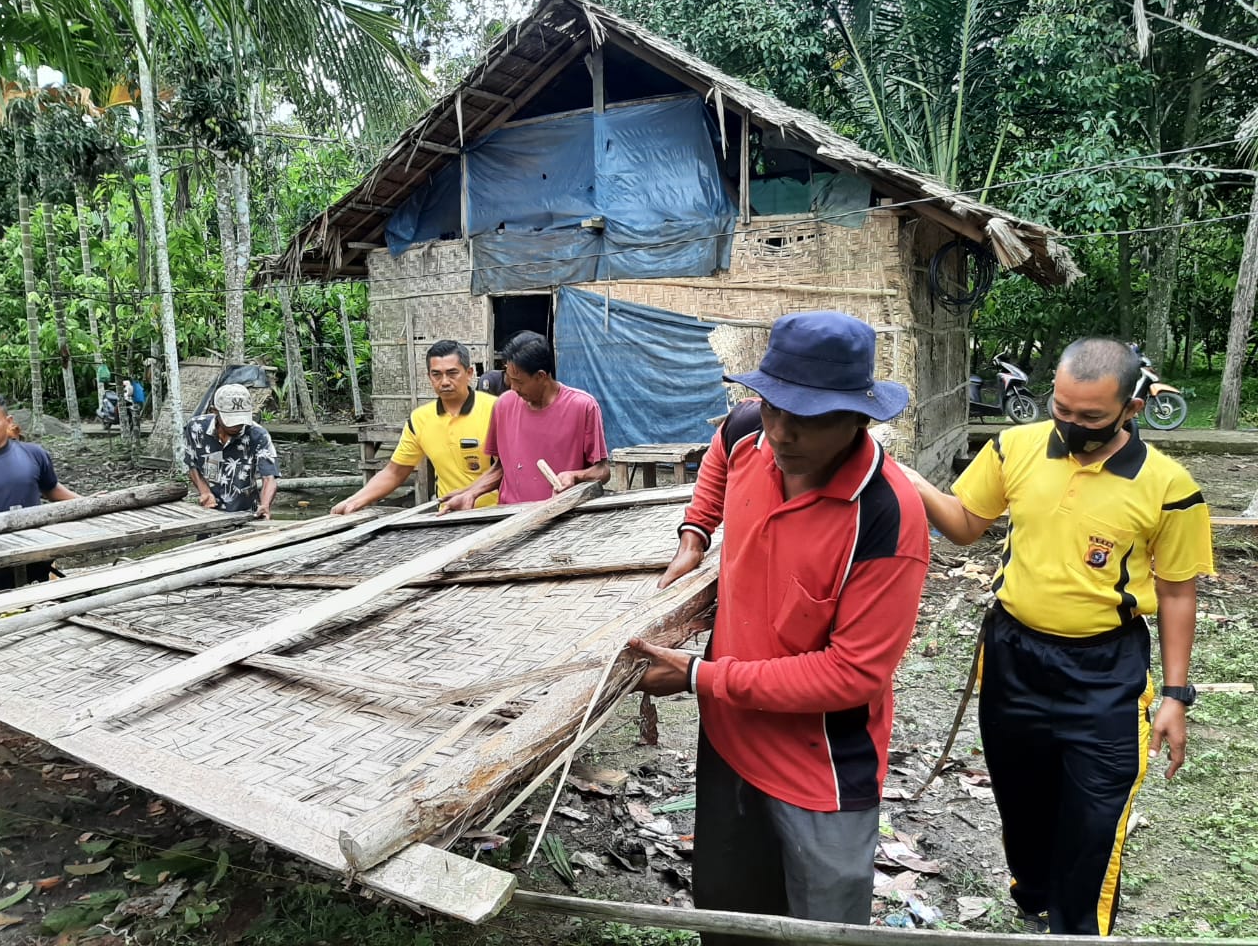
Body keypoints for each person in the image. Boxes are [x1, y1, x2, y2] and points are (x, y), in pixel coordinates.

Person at [627, 313, 930, 936]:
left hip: (818, 768)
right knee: (728, 913)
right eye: (773, 408)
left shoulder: (885, 519)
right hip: (730, 742)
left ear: (858, 418)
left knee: (819, 928)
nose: (783, 433)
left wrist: (698, 677)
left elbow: (851, 676)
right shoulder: (747, 433)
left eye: (809, 418)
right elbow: (717, 456)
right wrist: (696, 528)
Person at [899, 337, 1214, 936]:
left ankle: (1076, 930)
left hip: (1106, 670)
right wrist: (909, 479)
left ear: (1132, 408)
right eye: (1062, 410)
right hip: (1013, 655)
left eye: (1091, 417)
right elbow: (966, 525)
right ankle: (1036, 894)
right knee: (1022, 803)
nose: (1072, 426)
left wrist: (1175, 695)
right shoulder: (1013, 448)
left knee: (1095, 818)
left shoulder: (1170, 488)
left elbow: (1177, 592)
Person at [440, 331, 610, 510]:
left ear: (541, 376)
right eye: (510, 380)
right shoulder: (503, 405)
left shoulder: (583, 406)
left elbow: (603, 471)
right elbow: (502, 468)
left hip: (564, 518)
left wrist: (576, 476)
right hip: (510, 518)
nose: (513, 388)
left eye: (519, 382)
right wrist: (470, 493)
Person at [332, 340, 499, 514]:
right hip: (449, 515)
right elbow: (395, 472)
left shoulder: (496, 409)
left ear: (469, 373)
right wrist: (354, 501)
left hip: (500, 513)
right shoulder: (420, 419)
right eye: (436, 374)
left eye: (452, 373)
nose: (444, 381)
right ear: (429, 376)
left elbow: (508, 468)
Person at [0, 394, 80, 591]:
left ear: (7, 422)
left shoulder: (33, 454)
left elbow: (51, 489)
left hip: (32, 554)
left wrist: (88, 502)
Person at [183, 383, 280, 520]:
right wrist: (204, 492)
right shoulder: (196, 429)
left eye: (241, 419)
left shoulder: (258, 435)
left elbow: (269, 477)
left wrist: (265, 504)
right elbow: (192, 464)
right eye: (232, 420)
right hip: (209, 513)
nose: (237, 426)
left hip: (246, 512)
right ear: (214, 411)